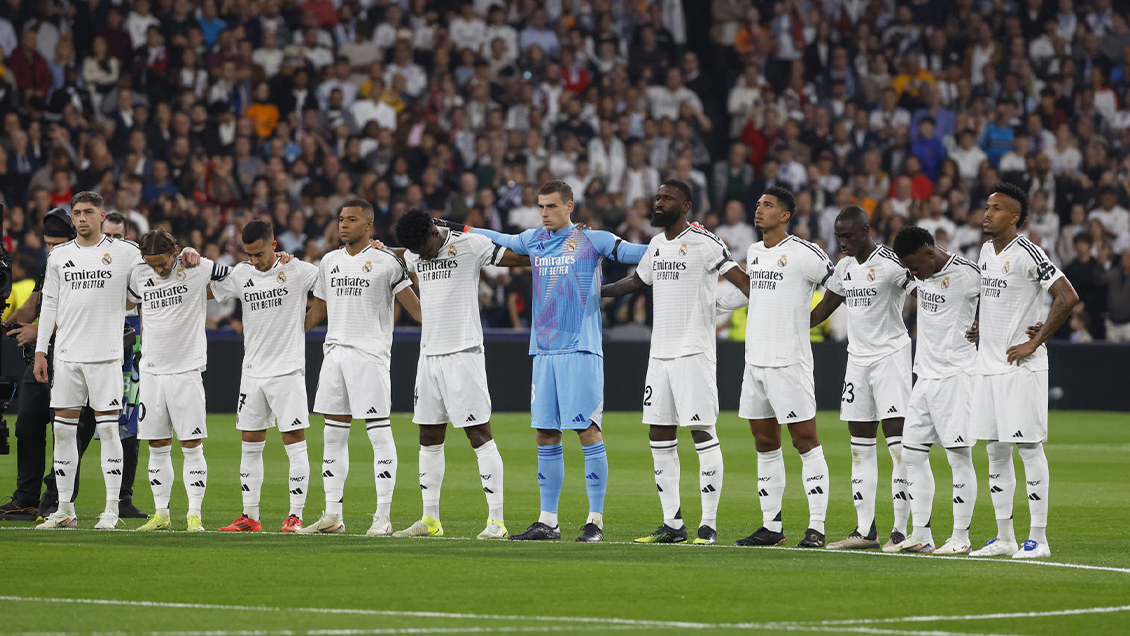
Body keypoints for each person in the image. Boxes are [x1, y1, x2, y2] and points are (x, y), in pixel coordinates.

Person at [447, 180, 647, 543]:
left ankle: (595, 521)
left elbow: (640, 253)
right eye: (540, 207)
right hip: (543, 351)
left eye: (551, 207)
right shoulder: (534, 240)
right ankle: (548, 521)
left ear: (570, 207)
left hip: (580, 349)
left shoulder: (594, 240)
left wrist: (679, 246)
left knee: (586, 430)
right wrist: (457, 229)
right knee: (545, 433)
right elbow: (499, 237)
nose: (544, 213)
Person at [601, 181, 750, 545]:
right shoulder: (655, 245)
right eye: (657, 197)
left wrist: (724, 305)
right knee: (659, 433)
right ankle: (673, 524)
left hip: (693, 353)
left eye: (667, 199)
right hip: (660, 355)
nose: (659, 202)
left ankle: (709, 525)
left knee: (702, 433)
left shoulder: (705, 242)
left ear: (685, 206)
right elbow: (636, 282)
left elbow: (744, 283)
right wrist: (595, 292)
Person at [383, 208, 528, 540]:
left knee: (479, 434)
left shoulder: (471, 245)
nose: (422, 257)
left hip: (464, 353)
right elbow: (398, 256)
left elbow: (518, 258)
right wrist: (380, 249)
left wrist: (557, 242)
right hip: (428, 355)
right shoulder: (414, 252)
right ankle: (430, 520)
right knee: (429, 437)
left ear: (435, 232)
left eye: (425, 249)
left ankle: (497, 522)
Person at [967, 182, 1079, 559]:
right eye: (987, 206)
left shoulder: (1029, 252)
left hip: (1020, 368)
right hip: (987, 367)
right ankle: (1004, 538)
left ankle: (1039, 539)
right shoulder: (985, 251)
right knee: (996, 452)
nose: (987, 213)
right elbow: (995, 298)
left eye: (997, 209)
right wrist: (982, 325)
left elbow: (1068, 296)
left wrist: (1037, 340)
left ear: (1014, 217)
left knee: (1029, 449)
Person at [296, 201, 421, 536]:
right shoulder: (329, 261)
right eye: (340, 219)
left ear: (369, 225)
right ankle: (332, 515)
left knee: (378, 434)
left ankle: (382, 517)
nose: (343, 225)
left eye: (351, 219)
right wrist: (288, 333)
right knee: (332, 435)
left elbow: (417, 311)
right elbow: (318, 310)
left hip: (370, 357)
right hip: (334, 355)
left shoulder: (386, 262)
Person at [724, 186, 834, 549]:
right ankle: (772, 527)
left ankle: (816, 527)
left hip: (789, 362)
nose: (759, 210)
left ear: (785, 215)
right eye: (758, 205)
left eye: (767, 206)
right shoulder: (754, 252)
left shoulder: (805, 253)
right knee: (765, 442)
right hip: (754, 363)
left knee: (805, 441)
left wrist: (811, 319)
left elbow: (839, 284)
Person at [33, 192, 144, 530]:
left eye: (88, 212)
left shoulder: (125, 253)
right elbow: (49, 305)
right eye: (76, 213)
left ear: (102, 215)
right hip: (66, 356)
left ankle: (111, 511)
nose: (81, 218)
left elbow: (144, 290)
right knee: (63, 434)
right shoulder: (59, 256)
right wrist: (41, 350)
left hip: (106, 357)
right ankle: (65, 509)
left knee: (110, 430)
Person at [810, 206, 914, 552]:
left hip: (890, 358)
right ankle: (865, 530)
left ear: (866, 230)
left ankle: (901, 530)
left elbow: (925, 292)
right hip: (857, 360)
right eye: (838, 236)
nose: (842, 242)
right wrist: (790, 325)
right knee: (859, 447)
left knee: (898, 446)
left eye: (848, 235)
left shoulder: (891, 262)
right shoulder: (844, 267)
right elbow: (828, 305)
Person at [209, 220, 319, 533]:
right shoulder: (241, 274)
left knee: (294, 441)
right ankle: (250, 516)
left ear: (274, 245)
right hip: (252, 373)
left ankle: (295, 515)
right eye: (249, 254)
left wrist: (301, 327)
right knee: (250, 443)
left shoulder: (297, 270)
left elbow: (330, 284)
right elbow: (201, 291)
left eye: (258, 253)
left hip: (287, 370)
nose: (254, 260)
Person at [129, 230, 230, 532]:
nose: (157, 269)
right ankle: (161, 514)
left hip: (186, 370)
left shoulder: (197, 268)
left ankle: (194, 515)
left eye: (161, 263)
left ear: (174, 253)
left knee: (191, 443)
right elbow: (129, 298)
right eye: (151, 263)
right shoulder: (138, 273)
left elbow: (240, 277)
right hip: (151, 371)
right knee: (157, 444)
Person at [892, 226, 981, 555]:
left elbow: (1005, 296)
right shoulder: (920, 273)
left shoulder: (968, 274)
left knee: (958, 457)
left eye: (915, 267)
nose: (912, 275)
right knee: (912, 455)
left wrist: (984, 322)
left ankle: (960, 537)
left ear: (930, 252)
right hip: (924, 377)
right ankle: (922, 534)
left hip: (956, 376)